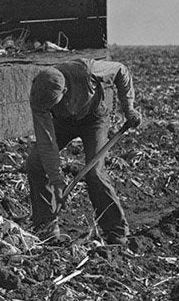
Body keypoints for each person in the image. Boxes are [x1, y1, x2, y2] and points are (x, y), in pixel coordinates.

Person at [25, 56, 142, 245]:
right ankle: (46, 227)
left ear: (65, 90)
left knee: (94, 172)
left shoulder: (86, 70)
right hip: (62, 123)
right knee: (35, 164)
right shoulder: (40, 97)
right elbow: (47, 143)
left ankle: (116, 231)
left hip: (94, 119)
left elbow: (121, 71)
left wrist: (129, 109)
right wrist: (57, 181)